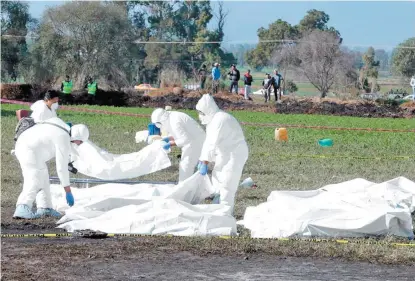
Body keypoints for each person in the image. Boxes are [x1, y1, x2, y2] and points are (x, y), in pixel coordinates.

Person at [13, 117, 90, 219]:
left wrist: (67, 161)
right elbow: (61, 169)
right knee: (35, 178)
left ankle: (45, 207)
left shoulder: (61, 126)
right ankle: (22, 207)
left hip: (26, 145)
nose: (78, 144)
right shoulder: (64, 138)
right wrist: (68, 191)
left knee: (43, 176)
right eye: (79, 142)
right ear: (76, 137)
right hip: (28, 150)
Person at [196, 94, 249, 214]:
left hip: (234, 153)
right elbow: (209, 141)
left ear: (208, 110)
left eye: (202, 113)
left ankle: (225, 214)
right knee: (218, 177)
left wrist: (205, 161)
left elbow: (211, 143)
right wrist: (202, 159)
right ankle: (217, 206)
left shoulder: (220, 119)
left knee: (227, 184)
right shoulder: (214, 120)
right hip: (224, 153)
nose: (200, 116)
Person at [151, 108, 206, 182]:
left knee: (186, 165)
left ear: (163, 119)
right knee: (185, 165)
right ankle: (185, 186)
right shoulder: (171, 117)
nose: (159, 126)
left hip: (196, 142)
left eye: (159, 123)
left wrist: (170, 144)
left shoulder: (174, 121)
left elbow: (185, 139)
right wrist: (168, 138)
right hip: (192, 140)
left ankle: (185, 188)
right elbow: (179, 134)